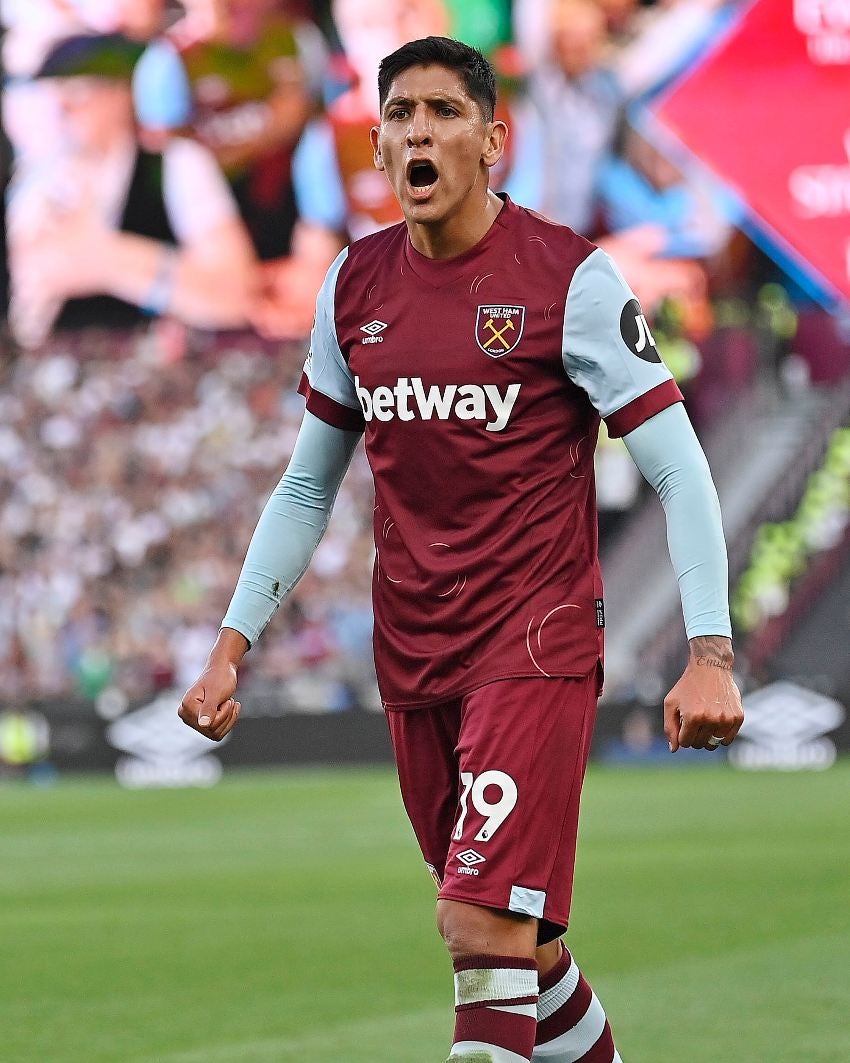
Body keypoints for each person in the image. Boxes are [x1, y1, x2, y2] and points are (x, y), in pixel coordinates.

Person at [178, 37, 744, 1063]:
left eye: (444, 112)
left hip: (533, 643)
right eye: (400, 115)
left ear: (493, 141)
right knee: (524, 947)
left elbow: (679, 468)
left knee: (478, 922)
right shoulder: (354, 286)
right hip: (415, 658)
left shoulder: (568, 279)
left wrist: (710, 651)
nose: (419, 133)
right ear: (379, 147)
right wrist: (232, 643)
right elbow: (307, 484)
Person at [6, 33, 256, 348]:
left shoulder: (174, 165)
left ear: (121, 92)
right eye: (51, 99)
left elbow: (236, 294)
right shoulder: (38, 183)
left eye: (77, 94)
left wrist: (107, 259)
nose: (62, 111)